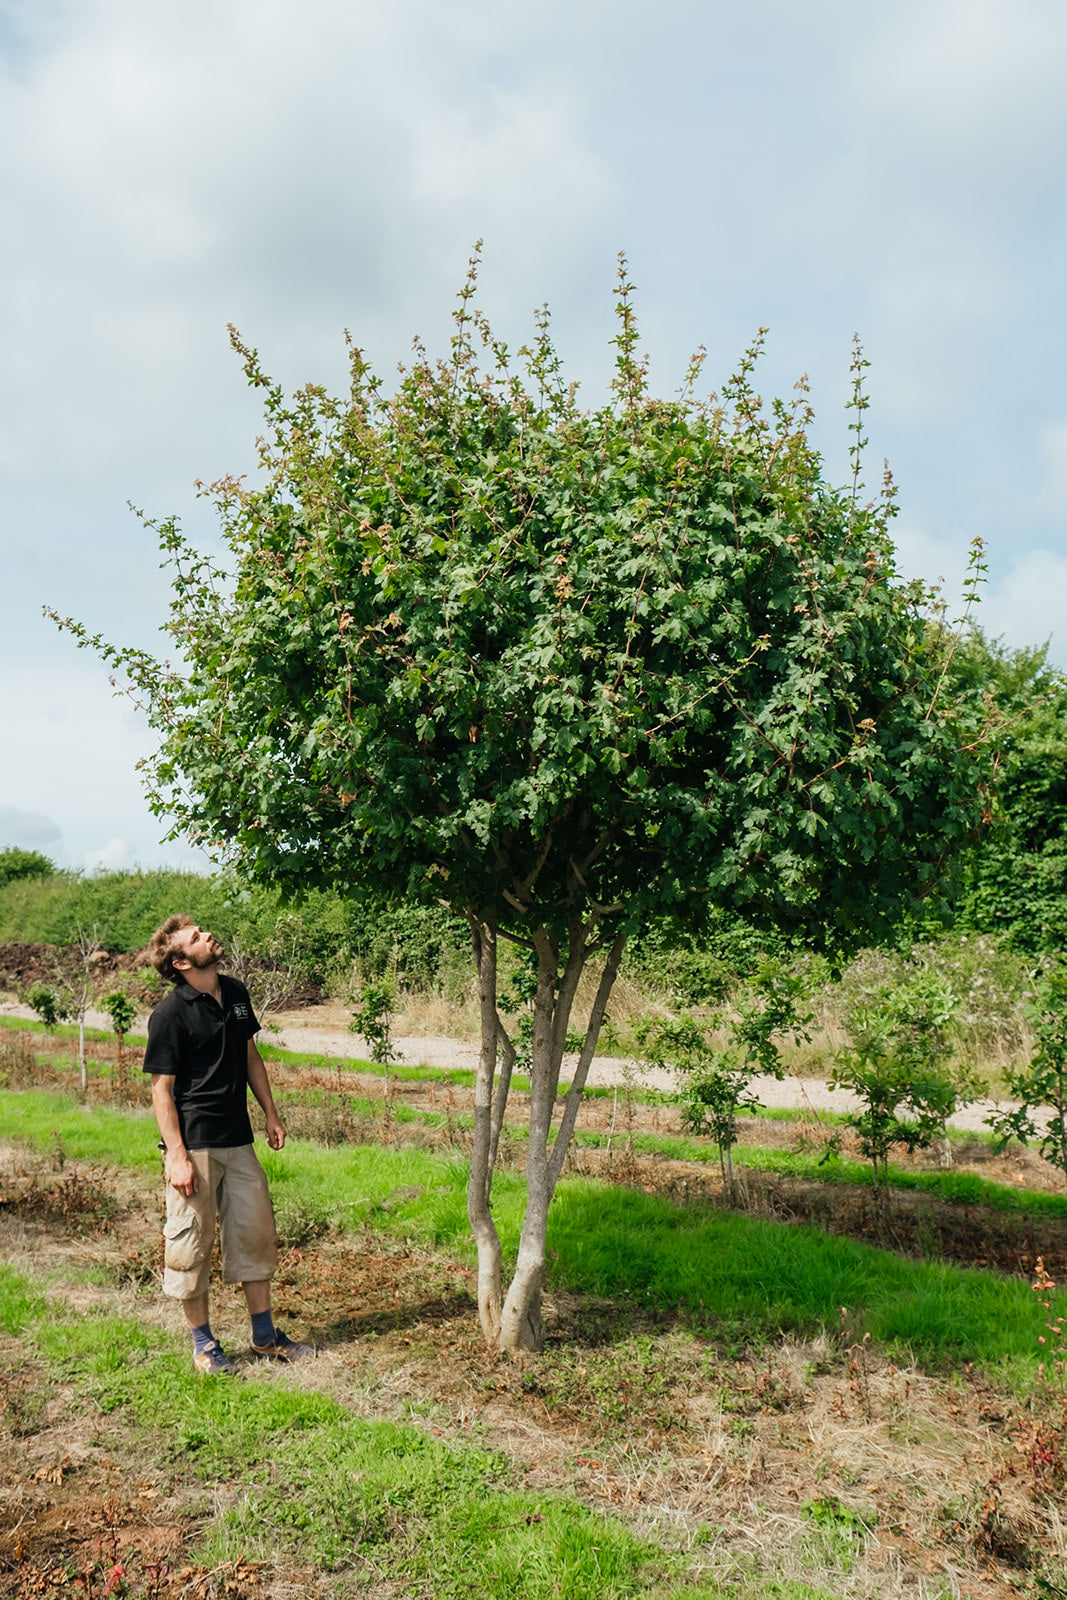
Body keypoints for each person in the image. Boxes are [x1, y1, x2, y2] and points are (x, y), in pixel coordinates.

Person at [143, 914, 313, 1374]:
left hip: (239, 1140)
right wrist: (176, 1156)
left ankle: (264, 1336)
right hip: (194, 1145)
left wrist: (270, 1114)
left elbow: (249, 1055)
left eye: (203, 932)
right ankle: (204, 1345)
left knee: (254, 1235)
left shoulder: (235, 993)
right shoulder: (170, 1014)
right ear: (180, 962)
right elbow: (162, 1089)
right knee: (190, 1245)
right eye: (196, 938)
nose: (207, 936)